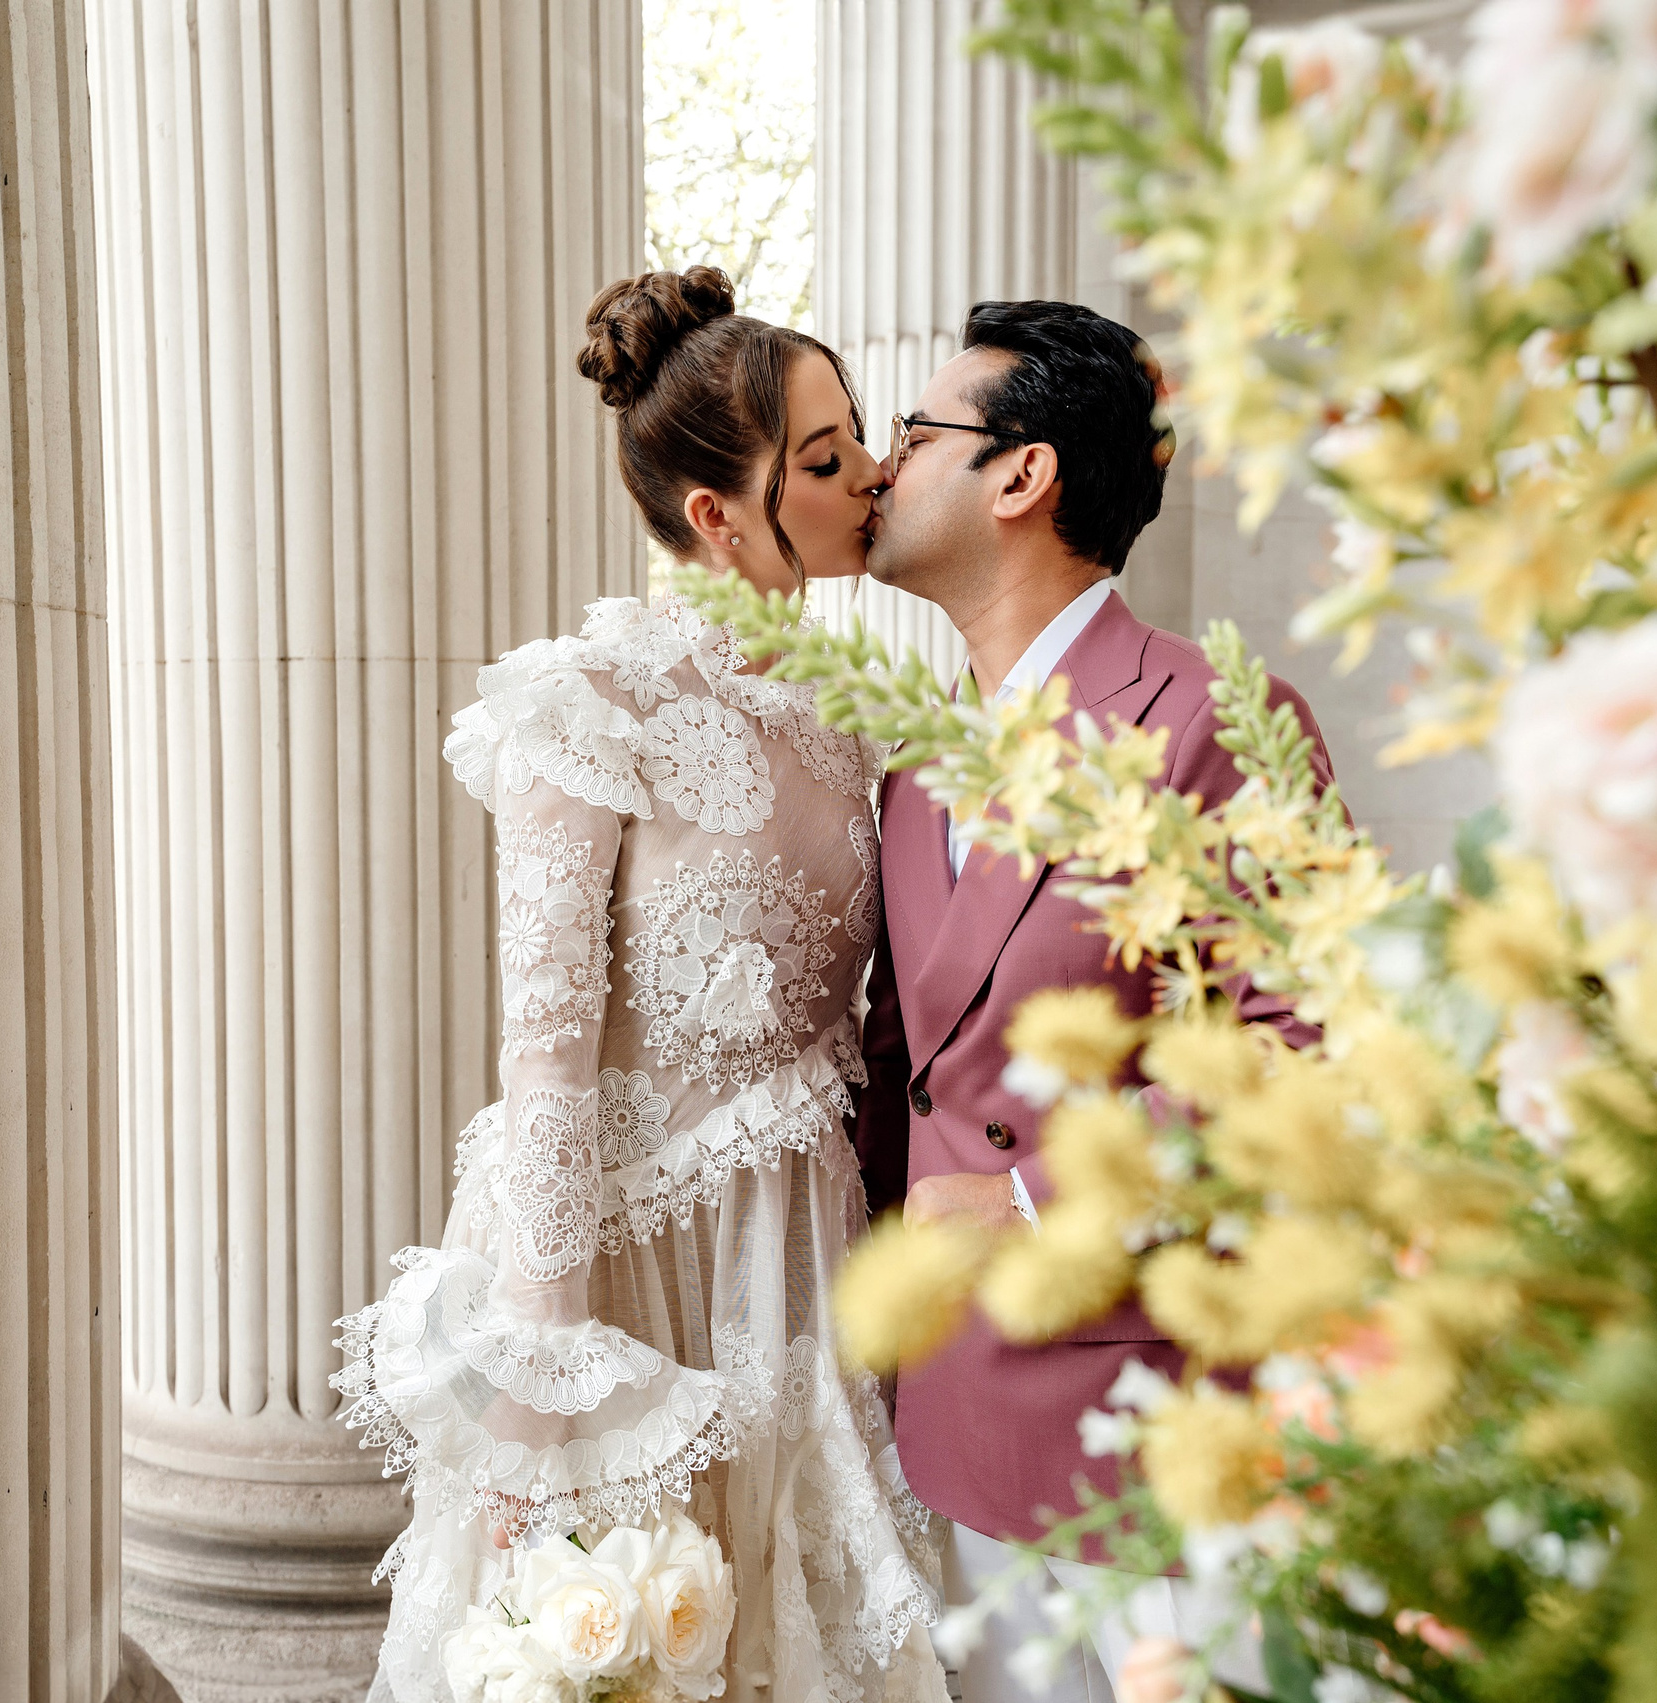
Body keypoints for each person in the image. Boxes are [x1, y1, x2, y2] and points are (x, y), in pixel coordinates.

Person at [333, 266, 949, 1703]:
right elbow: (541, 1061)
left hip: (803, 1265)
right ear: (716, 517)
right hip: (621, 1273)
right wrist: (551, 1398)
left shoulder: (866, 721)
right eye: (823, 456)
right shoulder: (586, 704)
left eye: (856, 434)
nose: (873, 472)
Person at [852, 299, 1334, 1703]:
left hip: (1143, 1439)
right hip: (942, 1432)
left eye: (914, 433)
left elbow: (1303, 1059)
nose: (880, 470)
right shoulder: (910, 764)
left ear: (1022, 474)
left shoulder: (1212, 717)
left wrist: (1024, 1209)